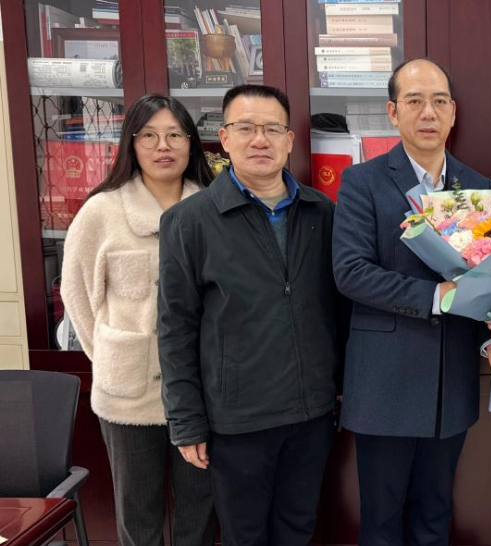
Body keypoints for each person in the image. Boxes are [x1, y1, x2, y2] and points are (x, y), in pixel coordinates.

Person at [157, 84, 344, 546]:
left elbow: (339, 310)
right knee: (245, 535)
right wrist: (186, 420)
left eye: (272, 129)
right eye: (246, 128)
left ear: (289, 140)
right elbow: (175, 328)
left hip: (313, 412)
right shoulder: (189, 221)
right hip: (237, 420)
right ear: (224, 138)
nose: (260, 139)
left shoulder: (322, 212)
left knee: (298, 528)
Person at [332, 58, 491, 546]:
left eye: (439, 101)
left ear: (453, 112)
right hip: (385, 381)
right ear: (393, 112)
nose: (429, 112)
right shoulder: (362, 181)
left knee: (435, 513)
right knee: (381, 519)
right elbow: (351, 272)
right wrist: (434, 296)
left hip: (451, 381)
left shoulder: (481, 189)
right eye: (415, 101)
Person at [61, 94, 217, 546]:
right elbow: (78, 297)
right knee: (138, 516)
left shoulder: (213, 208)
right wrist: (114, 353)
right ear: (131, 144)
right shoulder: (102, 211)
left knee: (201, 511)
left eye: (174, 135)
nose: (162, 146)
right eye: (148, 135)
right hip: (127, 394)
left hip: (203, 391)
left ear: (191, 143)